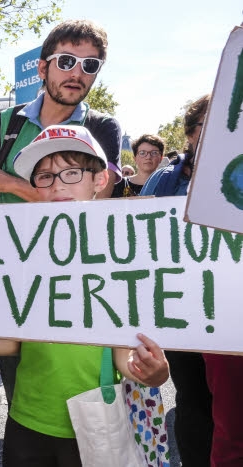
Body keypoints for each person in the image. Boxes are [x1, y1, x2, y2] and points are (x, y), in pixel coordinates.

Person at [0, 125, 169, 467]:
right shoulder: (23, 252)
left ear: (99, 180)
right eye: (45, 176)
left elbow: (126, 356)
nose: (58, 184)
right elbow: (16, 341)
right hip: (26, 417)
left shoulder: (120, 253)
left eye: (71, 172)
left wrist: (152, 374)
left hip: (96, 422)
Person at [0, 18, 123, 416]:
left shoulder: (102, 127)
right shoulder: (9, 123)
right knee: (19, 388)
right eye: (67, 61)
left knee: (79, 400)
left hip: (72, 279)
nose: (78, 73)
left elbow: (97, 202)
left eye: (90, 65)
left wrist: (15, 183)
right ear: (43, 68)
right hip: (12, 273)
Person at [141, 95, 218, 466]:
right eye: (209, 123)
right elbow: (137, 237)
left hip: (232, 308)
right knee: (195, 399)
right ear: (190, 135)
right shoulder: (164, 180)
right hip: (182, 308)